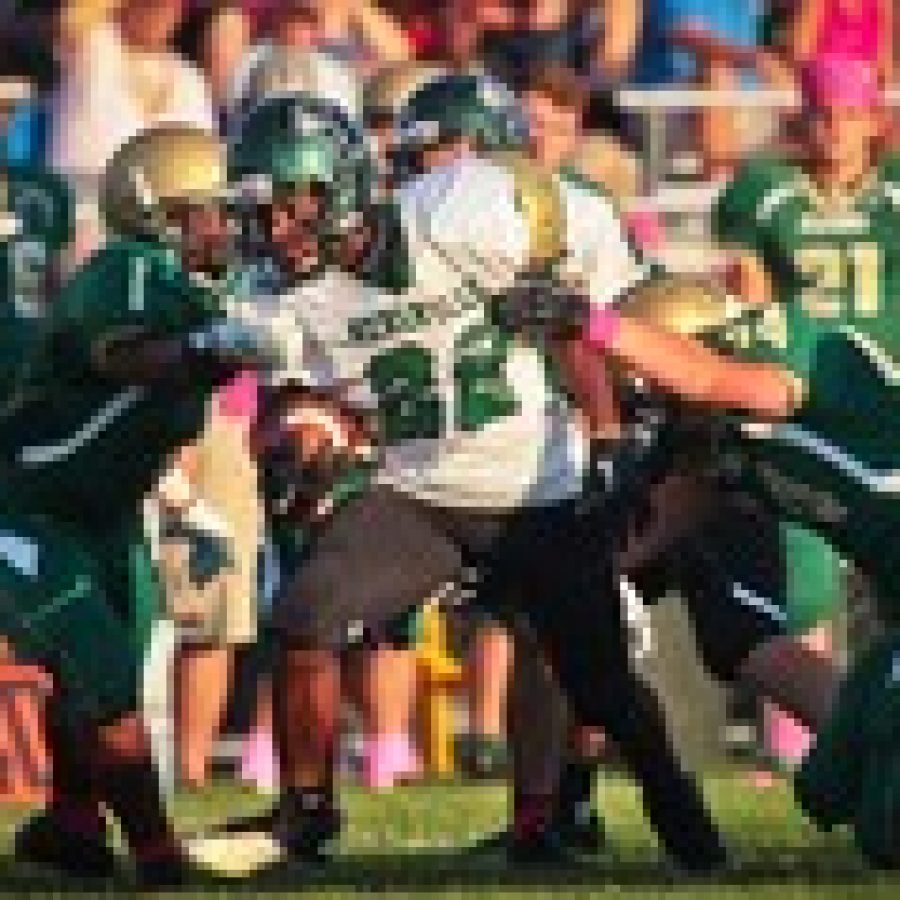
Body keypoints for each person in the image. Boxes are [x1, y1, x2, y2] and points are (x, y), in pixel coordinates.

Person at [196, 77, 727, 875]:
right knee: (303, 614)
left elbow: (572, 313)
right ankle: (305, 811)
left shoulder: (460, 214)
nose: (276, 229)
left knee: (601, 682)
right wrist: (300, 442)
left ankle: (659, 791)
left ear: (341, 187)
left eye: (293, 204)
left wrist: (608, 432)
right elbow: (295, 395)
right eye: (261, 211)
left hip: (534, 488)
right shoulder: (285, 297)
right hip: (419, 494)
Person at [498, 56, 900, 867]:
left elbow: (716, 378)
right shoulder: (715, 451)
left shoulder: (786, 352)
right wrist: (565, 573)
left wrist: (593, 324)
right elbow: (657, 525)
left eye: (649, 385)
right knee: (827, 791)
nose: (651, 408)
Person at [0, 123, 279, 883]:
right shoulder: (128, 266)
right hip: (23, 504)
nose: (227, 226)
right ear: (162, 211)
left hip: (103, 511)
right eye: (211, 210)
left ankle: (70, 820)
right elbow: (120, 355)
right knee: (106, 670)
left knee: (99, 673)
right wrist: (210, 349)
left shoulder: (202, 290)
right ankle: (156, 850)